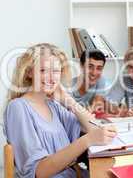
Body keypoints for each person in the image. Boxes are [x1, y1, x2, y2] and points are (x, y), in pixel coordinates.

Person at [3, 43, 117, 177]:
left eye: (56, 71)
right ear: (29, 72)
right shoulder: (18, 108)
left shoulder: (53, 105)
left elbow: (92, 127)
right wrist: (87, 140)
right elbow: (39, 171)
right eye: (43, 70)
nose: (51, 78)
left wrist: (67, 99)